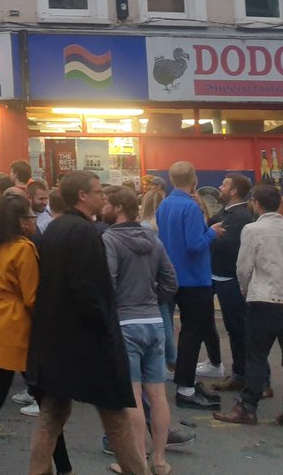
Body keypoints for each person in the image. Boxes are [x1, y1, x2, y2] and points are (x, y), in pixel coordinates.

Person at [27, 171, 147, 475]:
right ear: (82, 195)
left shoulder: (54, 229)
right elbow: (89, 290)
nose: (102, 196)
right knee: (116, 418)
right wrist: (105, 328)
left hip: (55, 339)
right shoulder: (84, 232)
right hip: (88, 342)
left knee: (52, 415)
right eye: (97, 191)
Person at [0, 192, 72, 475]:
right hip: (20, 328)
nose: (33, 220)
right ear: (20, 221)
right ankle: (64, 466)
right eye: (29, 216)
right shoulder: (24, 249)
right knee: (48, 406)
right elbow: (33, 296)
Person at [102, 185, 178, 475]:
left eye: (107, 203)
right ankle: (160, 460)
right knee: (157, 394)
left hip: (125, 323)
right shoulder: (153, 239)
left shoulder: (109, 239)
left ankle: (137, 463)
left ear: (119, 208)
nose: (103, 208)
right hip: (154, 322)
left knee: (132, 396)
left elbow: (108, 282)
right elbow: (170, 281)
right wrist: (154, 300)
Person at [214, 182, 283, 427]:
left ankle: (248, 407)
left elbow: (244, 266)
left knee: (256, 355)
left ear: (256, 203)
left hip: (263, 298)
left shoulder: (252, 230)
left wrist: (245, 289)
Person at [156, 161, 224, 410]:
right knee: (192, 334)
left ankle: (187, 383)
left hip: (173, 276)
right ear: (194, 179)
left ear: (171, 179)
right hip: (195, 278)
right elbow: (195, 245)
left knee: (187, 332)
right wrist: (213, 232)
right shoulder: (190, 207)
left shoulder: (165, 205)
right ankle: (185, 389)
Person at [210, 174, 255, 394]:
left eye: (224, 184)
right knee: (234, 328)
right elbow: (211, 226)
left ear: (234, 191)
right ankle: (242, 374)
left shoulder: (240, 217)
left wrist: (209, 237)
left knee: (239, 329)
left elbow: (229, 246)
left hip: (231, 280)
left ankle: (246, 377)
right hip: (222, 277)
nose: (220, 187)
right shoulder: (227, 213)